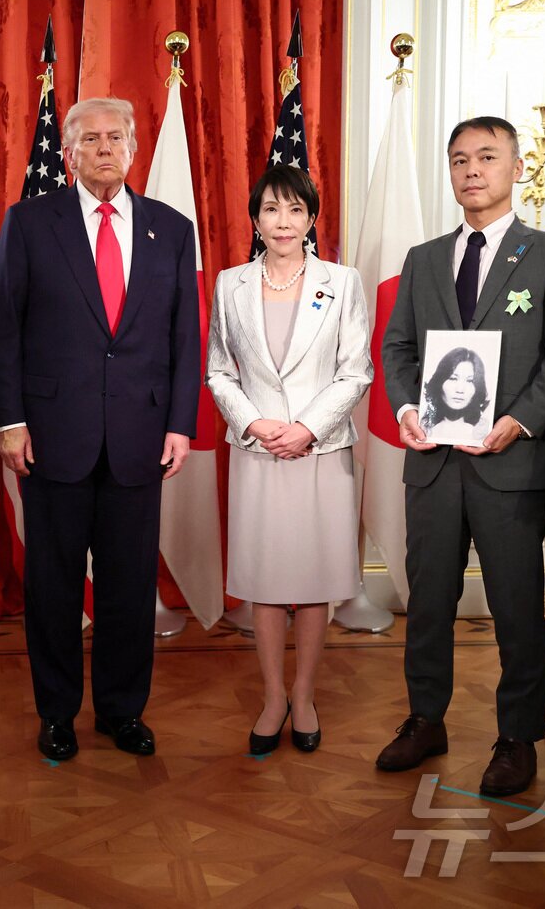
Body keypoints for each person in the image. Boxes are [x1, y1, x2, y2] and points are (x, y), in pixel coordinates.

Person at [377, 116, 545, 797]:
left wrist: (520, 421)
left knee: (517, 607)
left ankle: (517, 736)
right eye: (461, 159)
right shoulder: (424, 257)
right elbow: (399, 349)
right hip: (434, 461)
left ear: (517, 168)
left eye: (488, 157)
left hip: (512, 462)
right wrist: (408, 408)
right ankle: (424, 719)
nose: (472, 170)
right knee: (428, 601)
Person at [0, 97, 200, 761]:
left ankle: (121, 710)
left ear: (133, 149)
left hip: (140, 435)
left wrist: (180, 424)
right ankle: (56, 714)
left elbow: (184, 336)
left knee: (130, 585)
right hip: (52, 436)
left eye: (116, 137)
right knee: (51, 586)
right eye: (90, 139)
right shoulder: (29, 222)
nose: (104, 148)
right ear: (69, 151)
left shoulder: (171, 226)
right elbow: (6, 328)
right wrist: (12, 424)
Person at [204, 165, 372, 754]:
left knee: (315, 578)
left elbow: (357, 370)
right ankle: (273, 696)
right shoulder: (230, 284)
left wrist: (306, 428)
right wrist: (254, 423)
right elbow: (219, 370)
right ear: (256, 219)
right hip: (258, 449)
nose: (283, 221)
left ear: (312, 218)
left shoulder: (343, 282)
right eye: (272, 209)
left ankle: (305, 694)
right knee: (268, 580)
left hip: (320, 451)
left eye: (295, 210)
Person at [420, 346, 491, 441]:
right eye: (453, 378)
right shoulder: (424, 428)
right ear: (439, 381)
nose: (460, 389)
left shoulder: (484, 431)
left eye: (470, 381)